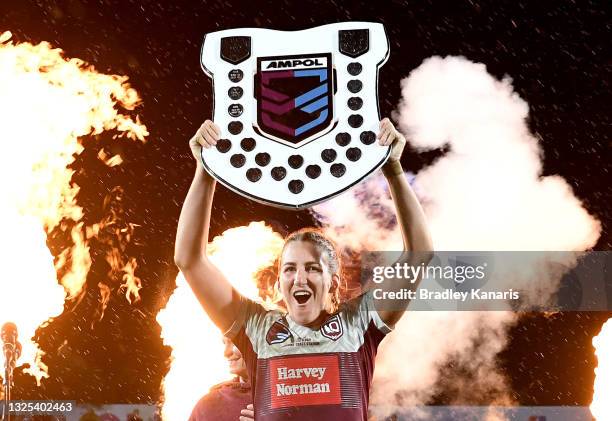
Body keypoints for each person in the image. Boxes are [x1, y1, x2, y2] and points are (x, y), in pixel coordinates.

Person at [175, 118, 433, 420]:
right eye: (289, 269)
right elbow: (189, 260)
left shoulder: (358, 325)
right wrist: (206, 170)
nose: (299, 278)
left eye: (312, 268)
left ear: (332, 281)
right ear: (280, 282)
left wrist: (394, 171)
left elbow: (419, 254)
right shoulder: (258, 329)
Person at [188, 337, 252, 421]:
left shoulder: (274, 396)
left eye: (234, 342)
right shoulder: (208, 406)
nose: (226, 353)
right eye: (224, 343)